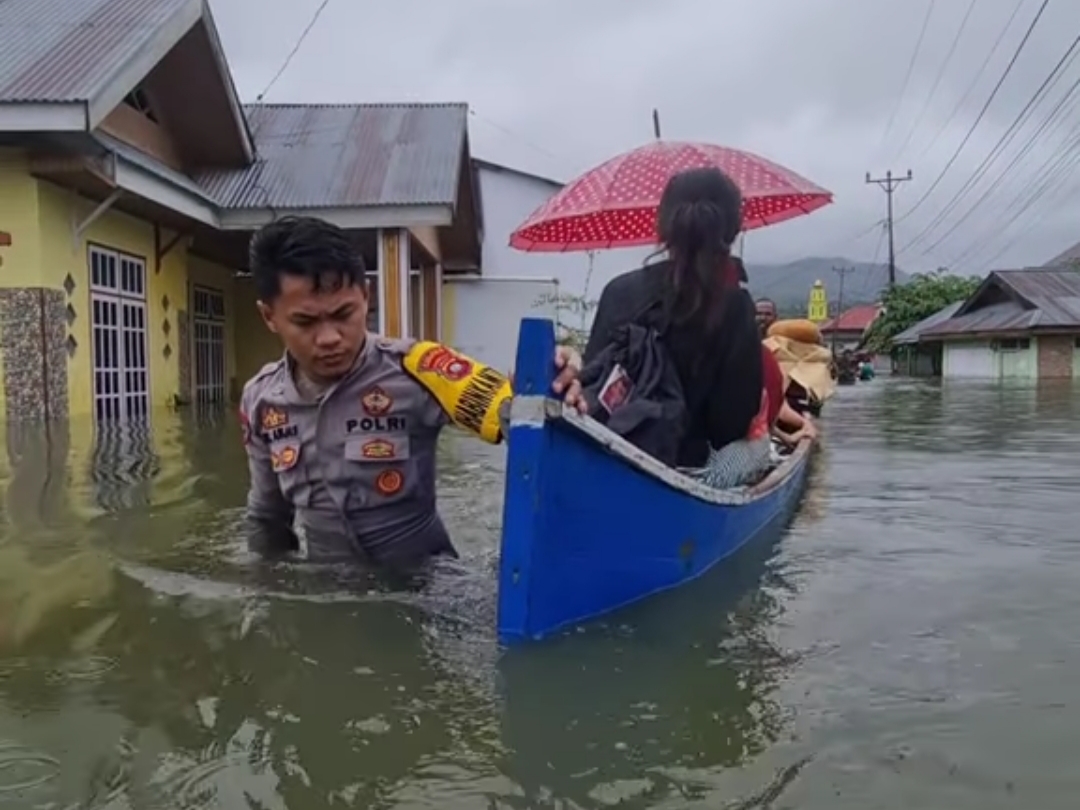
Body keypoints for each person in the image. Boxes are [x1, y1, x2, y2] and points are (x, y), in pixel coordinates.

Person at [239, 216, 584, 569]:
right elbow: (267, 520)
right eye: (305, 322)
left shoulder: (421, 370)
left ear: (366, 297)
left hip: (423, 592)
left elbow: (518, 417)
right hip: (327, 597)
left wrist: (553, 384)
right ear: (269, 316)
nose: (329, 338)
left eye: (344, 314)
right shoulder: (261, 401)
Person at [584, 167, 765, 486]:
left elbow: (591, 384)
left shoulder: (617, 291)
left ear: (664, 224)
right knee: (759, 447)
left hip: (611, 457)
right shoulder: (735, 306)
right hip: (687, 470)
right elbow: (730, 427)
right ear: (733, 230)